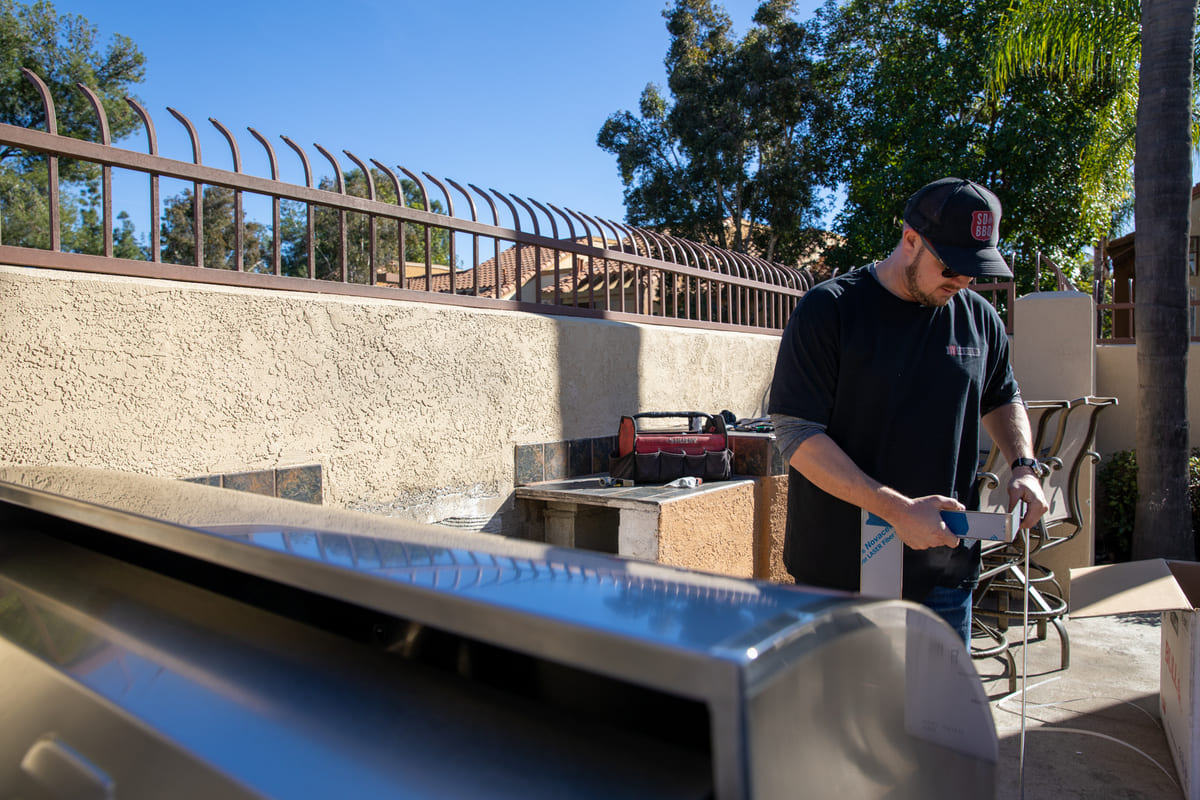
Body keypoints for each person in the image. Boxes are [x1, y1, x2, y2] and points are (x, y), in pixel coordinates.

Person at [768, 177, 1048, 643]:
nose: (961, 281)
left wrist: (1023, 467)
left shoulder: (980, 319)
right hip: (838, 576)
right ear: (910, 239)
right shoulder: (830, 310)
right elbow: (796, 433)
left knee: (933, 714)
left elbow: (1003, 396)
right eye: (951, 266)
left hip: (943, 573)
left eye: (973, 270)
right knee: (841, 714)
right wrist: (895, 510)